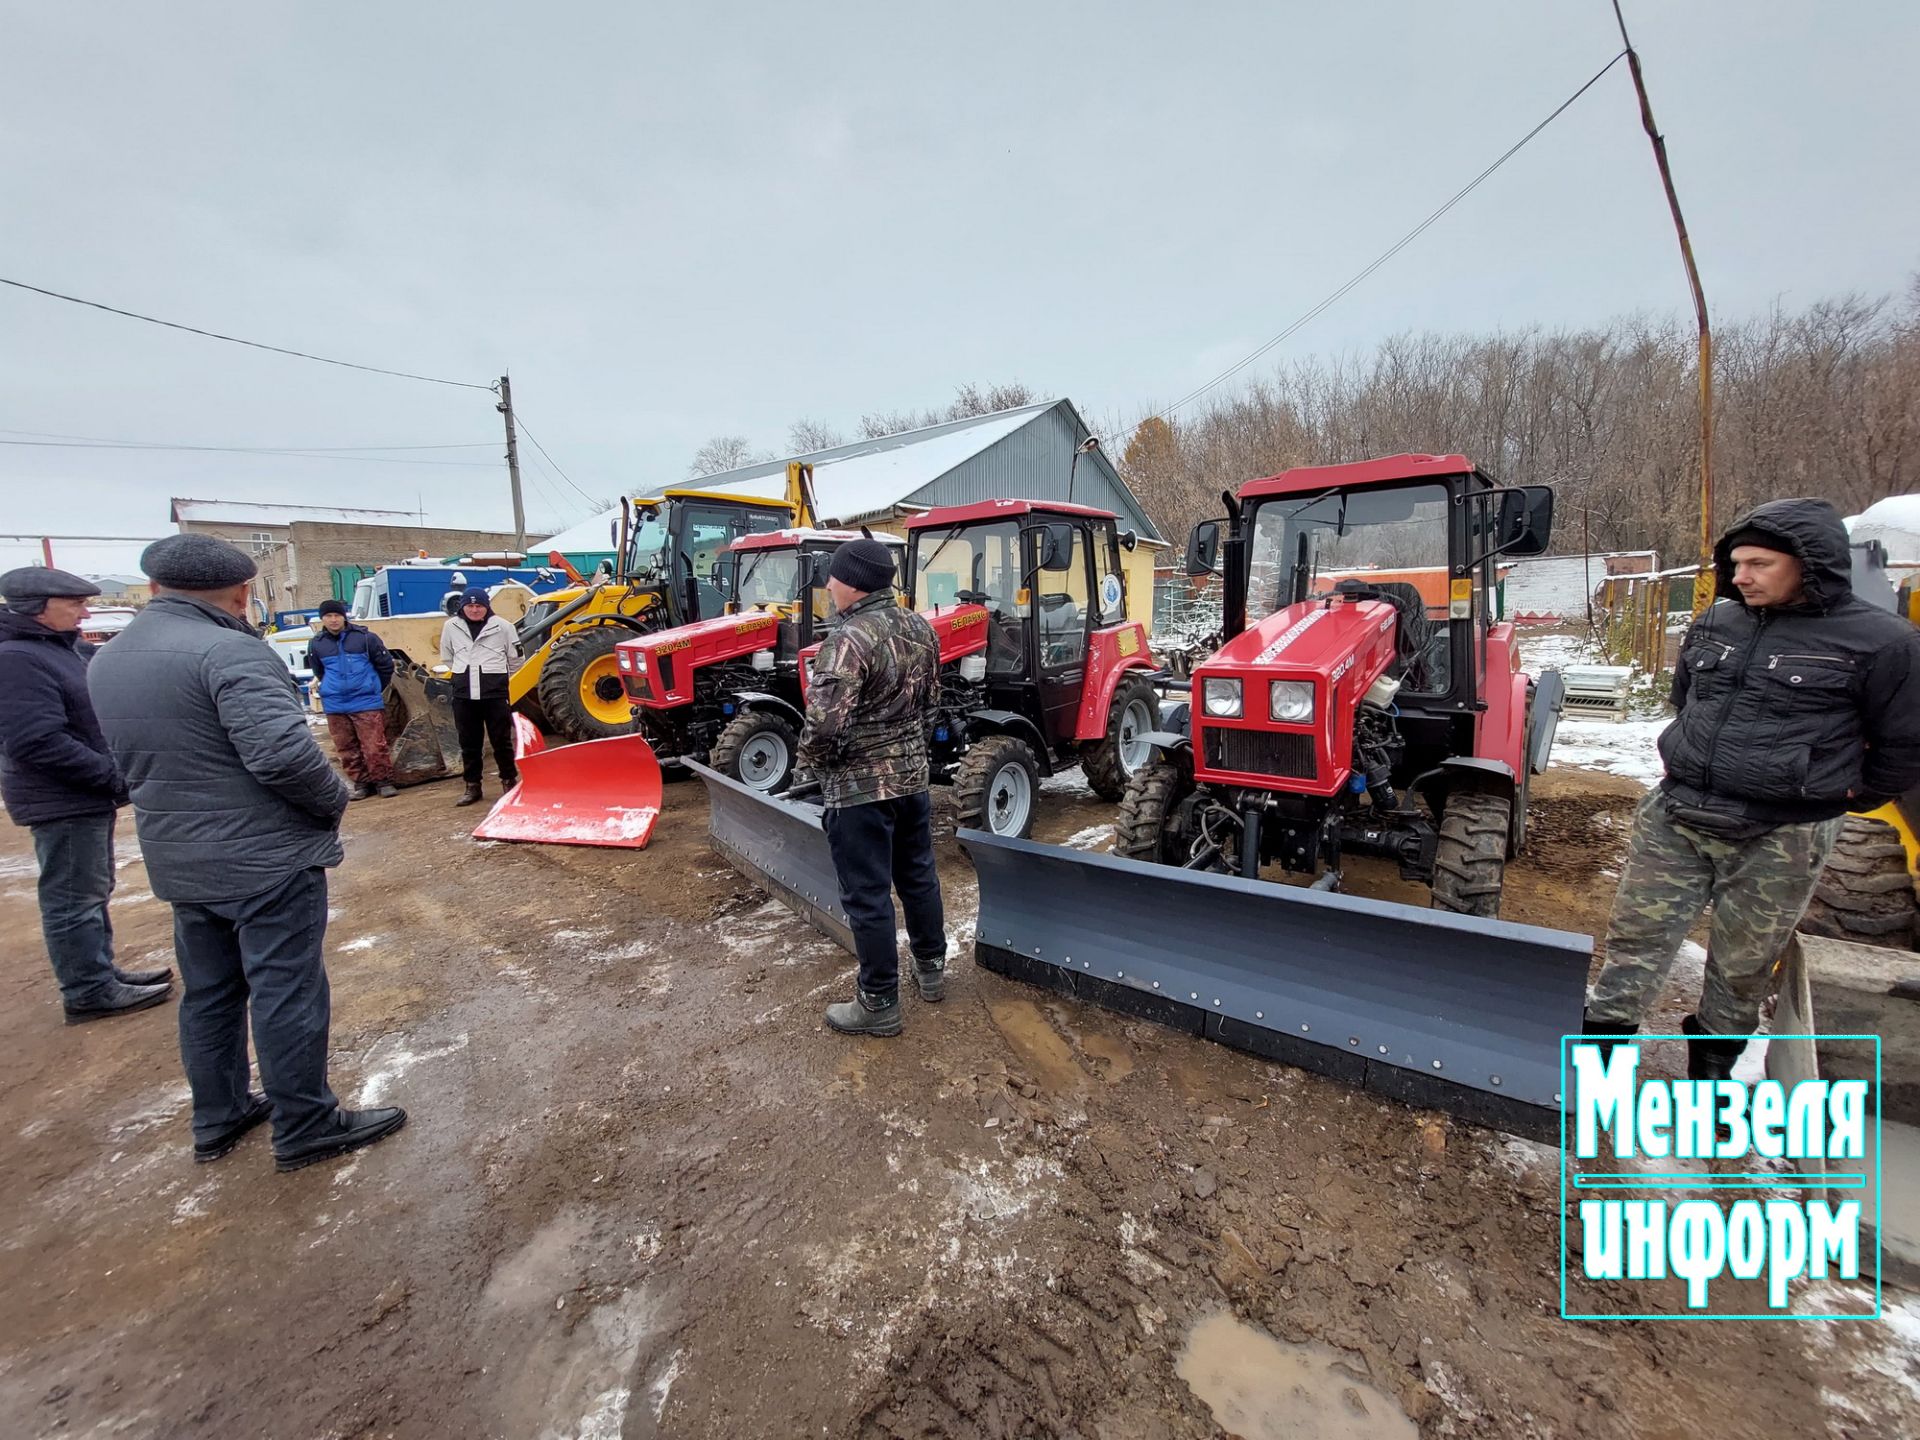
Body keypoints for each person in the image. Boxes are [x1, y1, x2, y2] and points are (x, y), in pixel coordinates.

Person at [89, 534, 405, 1171]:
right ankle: (306, 1123)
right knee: (285, 989)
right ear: (241, 594)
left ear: (153, 589)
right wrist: (333, 799)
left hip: (178, 859)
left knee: (209, 993)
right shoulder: (230, 652)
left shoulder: (109, 659)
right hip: (262, 860)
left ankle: (220, 1115)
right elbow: (283, 756)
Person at [1585, 499, 1920, 1079]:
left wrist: (1835, 796)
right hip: (1679, 815)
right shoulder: (1719, 621)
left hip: (1780, 834)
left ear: (1810, 565)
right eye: (1737, 563)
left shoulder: (1885, 643)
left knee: (1743, 964)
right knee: (1635, 941)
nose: (1741, 576)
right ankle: (1598, 1061)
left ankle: (1712, 1075)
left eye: (1760, 564)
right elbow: (1688, 699)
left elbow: (1904, 744)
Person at [0, 567, 174, 1023]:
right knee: (73, 895)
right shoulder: (17, 659)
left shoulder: (53, 649)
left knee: (91, 889)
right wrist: (112, 777)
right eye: (74, 604)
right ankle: (88, 989)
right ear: (38, 607)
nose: (84, 612)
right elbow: (35, 740)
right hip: (63, 798)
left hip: (79, 795)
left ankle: (100, 970)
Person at [795, 538, 947, 1037]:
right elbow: (930, 708)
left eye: (833, 578)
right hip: (911, 782)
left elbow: (822, 727)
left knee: (868, 895)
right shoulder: (921, 628)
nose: (828, 586)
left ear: (853, 582)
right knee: (918, 876)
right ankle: (931, 970)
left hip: (861, 794)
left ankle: (879, 1000)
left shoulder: (848, 640)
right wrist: (908, 758)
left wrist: (815, 770)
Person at [439, 587, 522, 807]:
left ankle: (509, 780)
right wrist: (463, 672)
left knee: (501, 740)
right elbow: (447, 655)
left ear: (487, 607)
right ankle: (472, 785)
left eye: (479, 606)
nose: (475, 610)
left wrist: (496, 678)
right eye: (470, 606)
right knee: (469, 742)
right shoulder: (451, 627)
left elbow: (515, 659)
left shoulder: (504, 627)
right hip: (464, 693)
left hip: (494, 693)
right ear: (463, 607)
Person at [308, 598, 397, 800]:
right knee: (346, 747)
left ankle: (383, 781)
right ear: (322, 618)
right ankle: (361, 783)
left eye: (337, 615)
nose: (333, 620)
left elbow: (385, 666)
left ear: (344, 616)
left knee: (374, 745)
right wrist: (332, 687)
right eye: (328, 616)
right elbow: (318, 670)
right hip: (335, 704)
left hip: (365, 700)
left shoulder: (366, 638)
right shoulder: (317, 644)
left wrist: (373, 686)